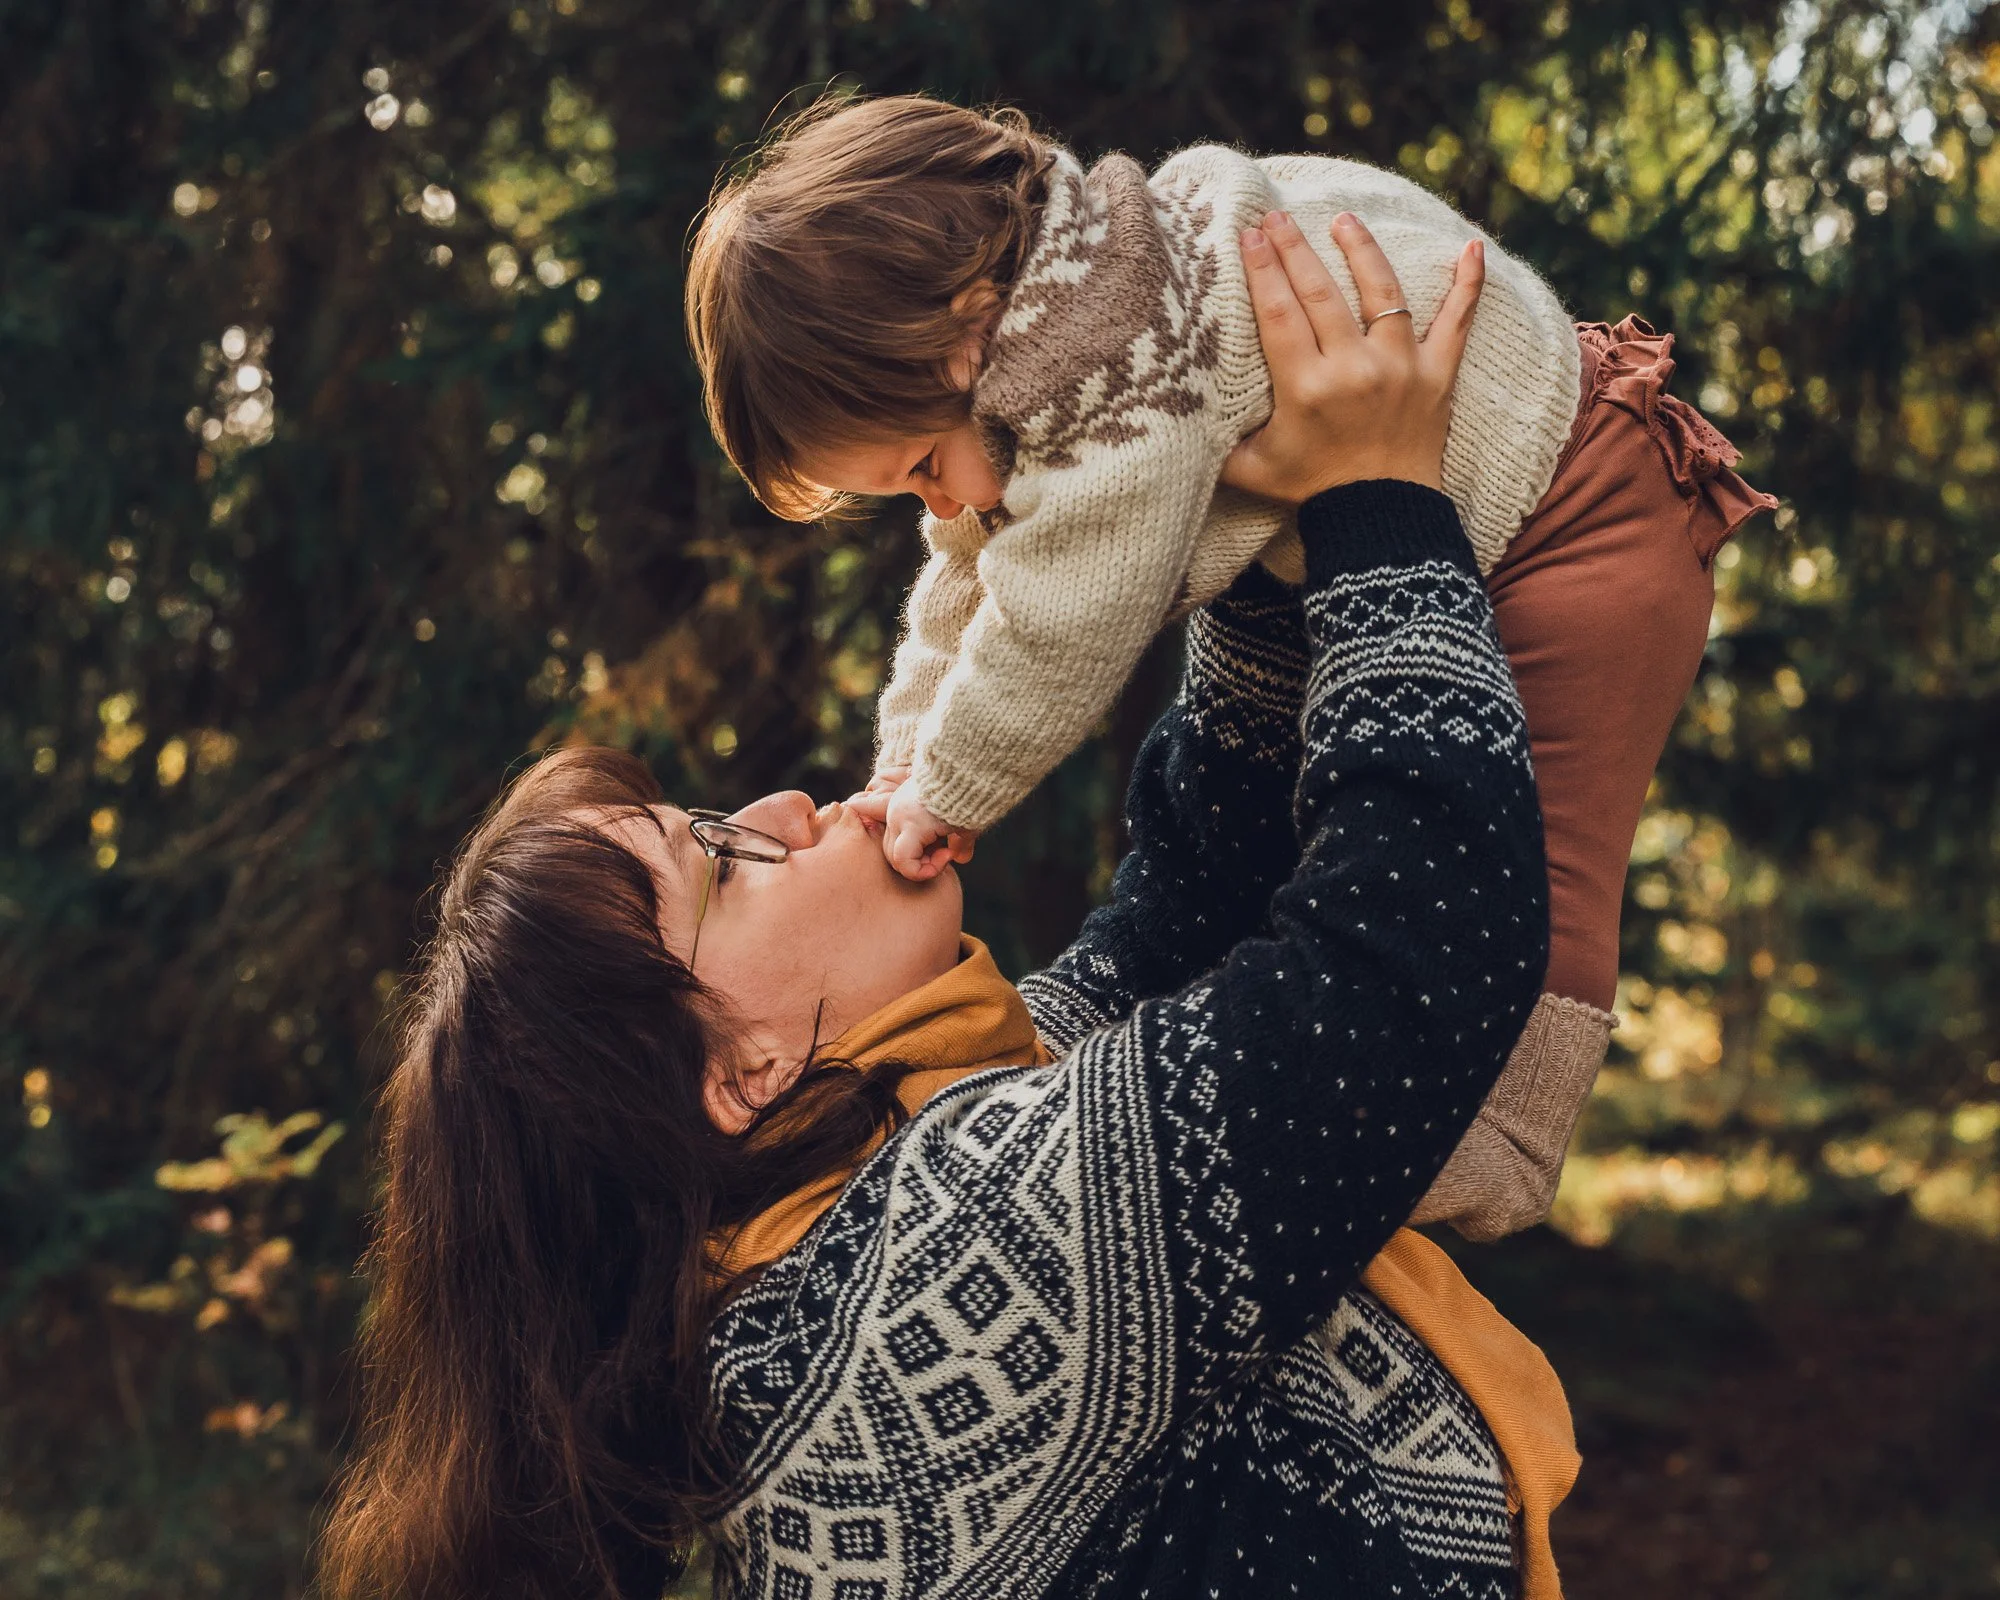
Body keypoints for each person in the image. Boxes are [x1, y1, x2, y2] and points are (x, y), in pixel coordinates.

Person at [319, 217, 1572, 1600]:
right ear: (742, 1074)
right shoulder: (931, 1292)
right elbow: (1405, 959)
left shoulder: (836, 1247)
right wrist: (1382, 505)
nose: (791, 808)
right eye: (726, 862)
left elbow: (1178, 924)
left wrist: (1255, 539)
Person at [686, 95, 1777, 1240]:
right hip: (1400, 519)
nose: (939, 499)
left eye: (919, 463)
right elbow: (968, 568)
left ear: (970, 323)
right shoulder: (1030, 341)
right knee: (1267, 837)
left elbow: (1063, 613)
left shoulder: (1110, 356)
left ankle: (1503, 1128)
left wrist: (952, 787)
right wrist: (901, 761)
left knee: (1539, 853)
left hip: (1579, 514)